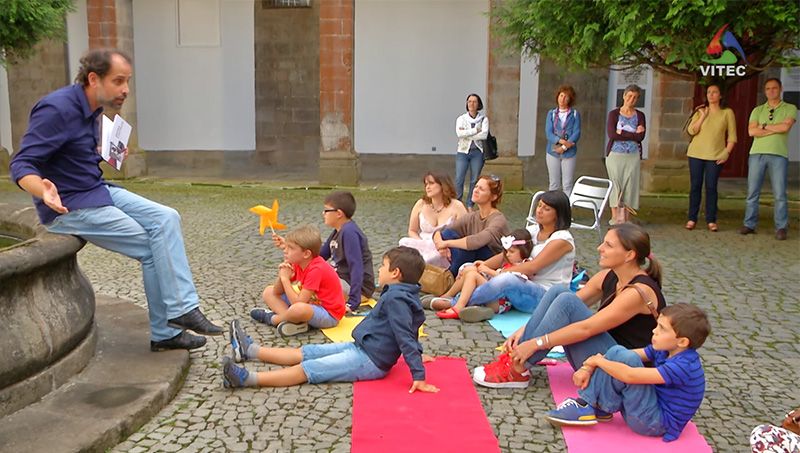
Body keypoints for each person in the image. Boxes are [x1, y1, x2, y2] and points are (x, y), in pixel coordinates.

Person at [8, 48, 220, 351]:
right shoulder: (56, 109)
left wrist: (102, 154)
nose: (126, 90)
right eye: (118, 81)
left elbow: (70, 153)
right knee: (151, 246)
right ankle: (168, 329)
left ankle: (180, 313)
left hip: (96, 189)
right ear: (94, 79)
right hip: (70, 205)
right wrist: (43, 191)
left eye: (128, 81)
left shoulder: (93, 108)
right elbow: (22, 163)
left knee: (167, 217)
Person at [222, 246, 439, 394]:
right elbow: (410, 326)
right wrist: (418, 352)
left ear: (395, 273)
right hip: (362, 347)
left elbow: (404, 332)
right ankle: (250, 351)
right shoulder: (401, 294)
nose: (379, 269)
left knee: (308, 367)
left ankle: (247, 379)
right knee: (307, 352)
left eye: (383, 266)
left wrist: (418, 373)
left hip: (370, 360)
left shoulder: (397, 299)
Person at [473, 223, 666, 389]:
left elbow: (587, 328)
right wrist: (524, 330)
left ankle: (518, 368)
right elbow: (563, 304)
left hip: (626, 371)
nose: (599, 248)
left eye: (608, 245)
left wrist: (535, 343)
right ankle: (516, 361)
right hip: (606, 357)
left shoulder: (638, 292)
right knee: (558, 292)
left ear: (629, 255)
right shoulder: (608, 276)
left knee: (567, 301)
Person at [544, 303, 710, 443]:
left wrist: (598, 362)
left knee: (624, 359)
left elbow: (629, 375)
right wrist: (588, 366)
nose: (654, 331)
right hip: (652, 408)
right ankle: (595, 406)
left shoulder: (683, 366)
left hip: (655, 423)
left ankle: (586, 405)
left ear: (682, 342)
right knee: (619, 351)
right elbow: (622, 355)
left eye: (662, 329)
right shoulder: (666, 350)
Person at [430, 191, 575, 321]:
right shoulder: (533, 231)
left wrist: (499, 272)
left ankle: (454, 303)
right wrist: (482, 266)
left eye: (546, 209)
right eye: (539, 206)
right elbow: (505, 254)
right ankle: (477, 304)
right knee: (470, 267)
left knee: (507, 279)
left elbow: (533, 267)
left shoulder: (562, 239)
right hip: (521, 286)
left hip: (545, 295)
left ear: (558, 214)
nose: (540, 211)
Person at [250, 225, 345, 337]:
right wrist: (283, 275)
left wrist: (285, 279)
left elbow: (298, 303)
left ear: (306, 254)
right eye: (286, 247)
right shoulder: (298, 263)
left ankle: (273, 319)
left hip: (329, 314)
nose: (285, 251)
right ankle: (293, 321)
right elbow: (276, 292)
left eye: (290, 248)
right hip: (309, 305)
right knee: (268, 292)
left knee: (298, 309)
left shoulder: (317, 269)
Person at [429, 228, 533, 321]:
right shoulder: (507, 263)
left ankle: (458, 306)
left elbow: (511, 282)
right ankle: (448, 296)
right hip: (492, 295)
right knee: (469, 270)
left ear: (524, 251)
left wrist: (488, 271)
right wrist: (480, 267)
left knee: (473, 275)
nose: (508, 254)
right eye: (506, 252)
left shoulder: (525, 265)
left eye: (512, 252)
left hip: (500, 302)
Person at [740, 78, 797, 241]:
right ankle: (749, 224)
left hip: (778, 154)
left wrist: (763, 127)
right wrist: (774, 129)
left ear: (780, 89)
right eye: (768, 89)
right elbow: (751, 132)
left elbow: (785, 127)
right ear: (765, 91)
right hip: (756, 153)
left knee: (779, 193)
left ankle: (781, 227)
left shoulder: (789, 108)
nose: (771, 91)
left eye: (774, 88)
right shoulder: (758, 110)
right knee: (752, 192)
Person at [433, 175, 509, 277]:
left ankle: (449, 276)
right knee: (448, 233)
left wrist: (446, 243)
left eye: (481, 189)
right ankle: (449, 275)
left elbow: (477, 241)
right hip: (471, 256)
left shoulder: (498, 220)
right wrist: (441, 245)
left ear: (493, 197)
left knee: (468, 249)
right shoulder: (473, 216)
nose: (476, 190)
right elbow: (441, 230)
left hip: (490, 260)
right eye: (476, 186)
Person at [685, 84, 737, 232]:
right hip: (696, 154)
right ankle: (692, 218)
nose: (711, 95)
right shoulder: (700, 111)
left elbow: (732, 136)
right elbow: (691, 130)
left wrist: (726, 152)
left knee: (711, 187)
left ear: (720, 95)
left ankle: (711, 220)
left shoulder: (727, 113)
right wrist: (702, 116)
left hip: (715, 155)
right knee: (695, 186)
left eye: (714, 92)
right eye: (709, 92)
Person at [399, 172, 467, 268]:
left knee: (436, 256)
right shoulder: (421, 204)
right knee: (404, 242)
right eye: (426, 184)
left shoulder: (457, 206)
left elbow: (465, 233)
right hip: (422, 243)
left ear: (442, 185)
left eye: (431, 183)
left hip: (444, 246)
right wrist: (422, 243)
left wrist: (446, 245)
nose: (427, 187)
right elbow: (412, 230)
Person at [321, 191, 376, 311]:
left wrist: (353, 301)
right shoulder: (338, 231)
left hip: (358, 289)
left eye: (326, 210)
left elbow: (356, 266)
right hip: (342, 280)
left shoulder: (349, 232)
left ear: (339, 213)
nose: (323, 213)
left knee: (317, 282)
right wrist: (291, 247)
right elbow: (320, 256)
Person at [606, 84, 647, 225]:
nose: (631, 99)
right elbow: (612, 134)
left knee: (630, 185)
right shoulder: (614, 114)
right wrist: (633, 133)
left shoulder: (640, 116)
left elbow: (640, 137)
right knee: (616, 184)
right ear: (624, 96)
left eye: (635, 97)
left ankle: (627, 218)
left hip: (633, 155)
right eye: (629, 96)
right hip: (615, 154)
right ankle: (615, 217)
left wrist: (622, 132)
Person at [545, 85, 582, 195]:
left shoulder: (574, 114)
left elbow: (576, 132)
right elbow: (548, 133)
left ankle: (566, 204)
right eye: (561, 96)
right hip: (553, 151)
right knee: (554, 183)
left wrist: (565, 147)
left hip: (569, 152)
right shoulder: (551, 113)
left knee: (567, 184)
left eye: (566, 97)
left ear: (570, 99)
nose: (563, 99)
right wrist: (560, 141)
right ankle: (553, 204)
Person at [455, 93, 489, 207]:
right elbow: (459, 134)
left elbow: (484, 135)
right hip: (463, 152)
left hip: (477, 153)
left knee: (474, 180)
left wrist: (467, 134)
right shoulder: (461, 119)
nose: (471, 104)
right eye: (469, 101)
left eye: (474, 102)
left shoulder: (483, 119)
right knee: (459, 178)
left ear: (478, 104)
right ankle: (458, 204)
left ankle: (470, 204)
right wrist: (475, 131)